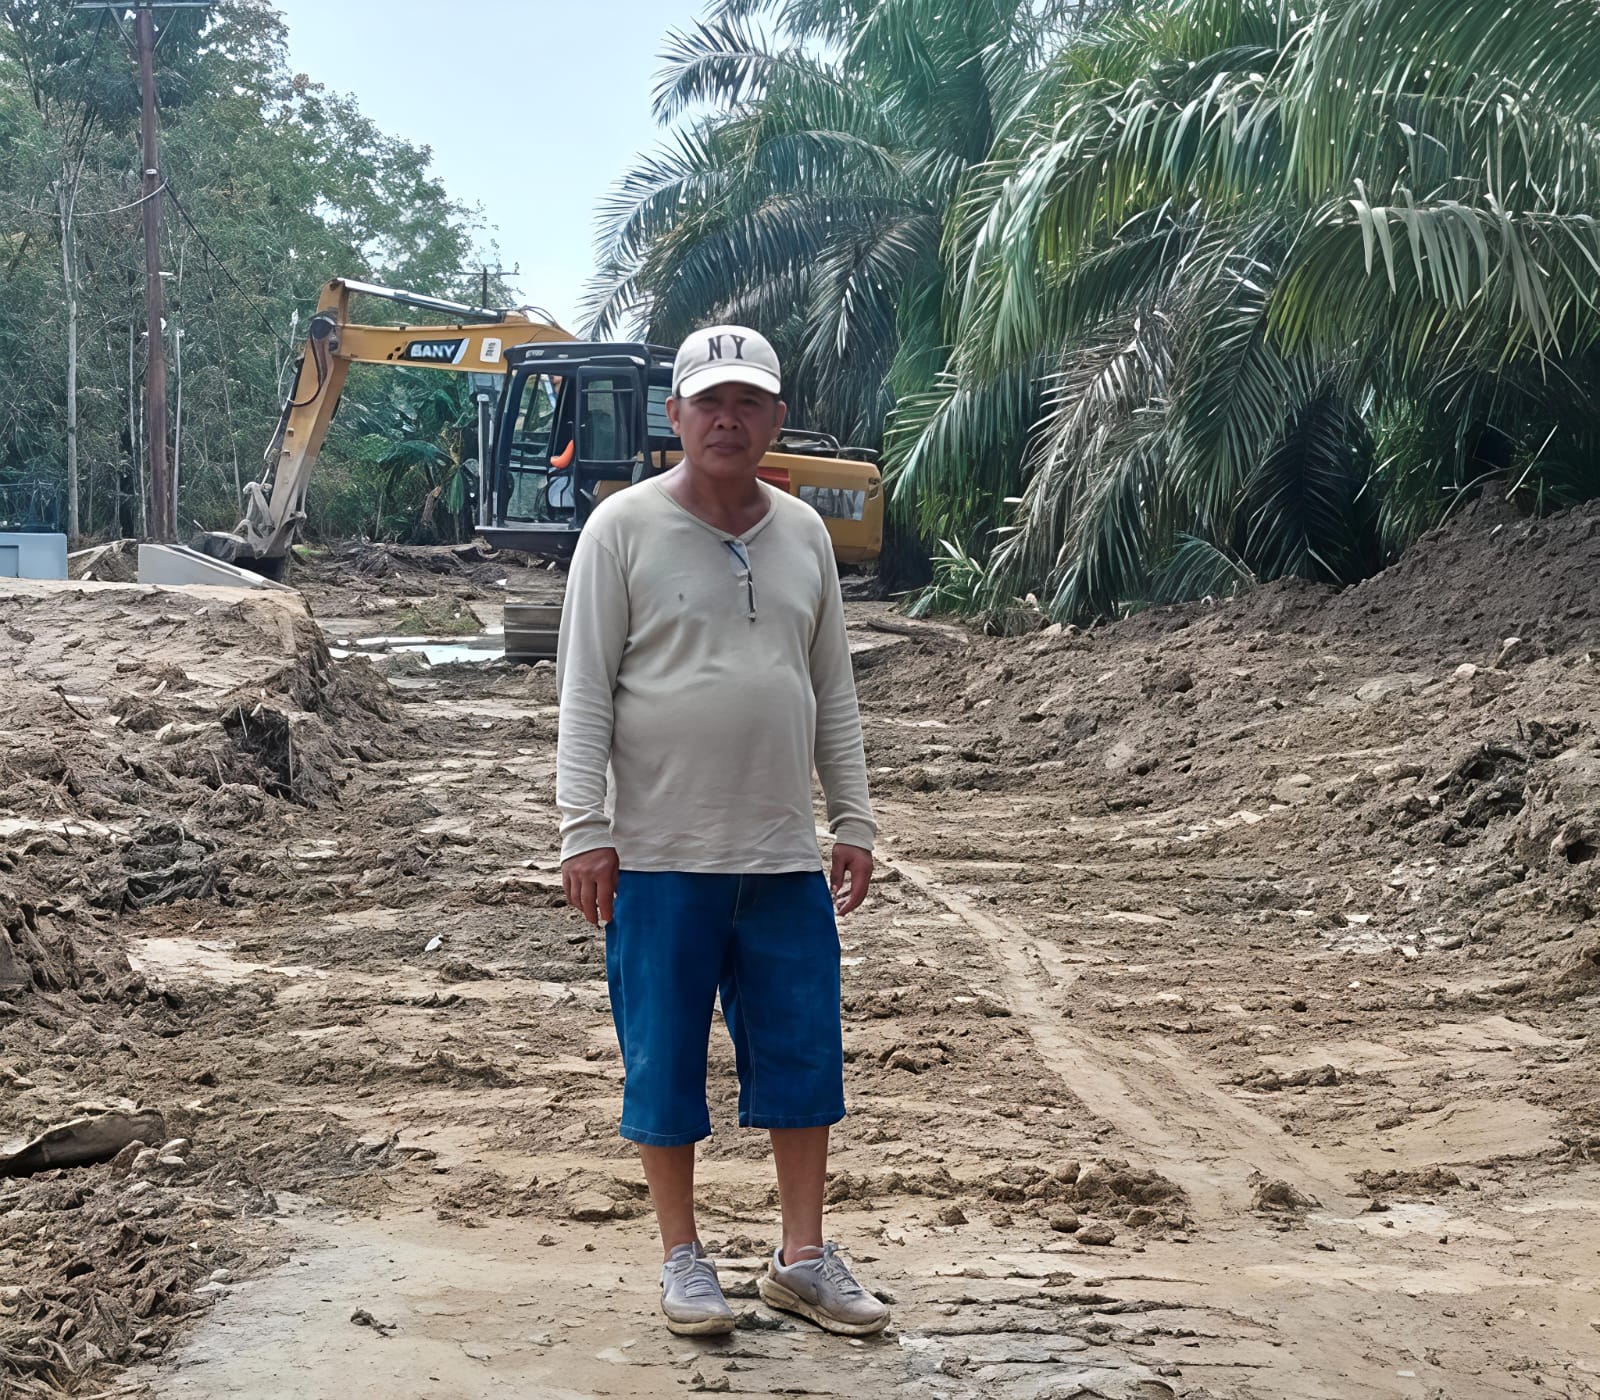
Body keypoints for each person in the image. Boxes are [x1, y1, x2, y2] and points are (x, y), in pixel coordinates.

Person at [555, 324, 889, 1339]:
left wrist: (854, 816)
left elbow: (830, 688)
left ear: (775, 418)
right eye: (709, 401)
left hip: (782, 854)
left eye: (747, 401)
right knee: (662, 1060)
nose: (727, 418)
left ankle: (800, 1257)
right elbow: (582, 690)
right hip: (658, 856)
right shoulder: (619, 530)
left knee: (803, 1058)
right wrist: (584, 827)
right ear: (676, 416)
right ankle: (682, 1257)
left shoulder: (804, 536)